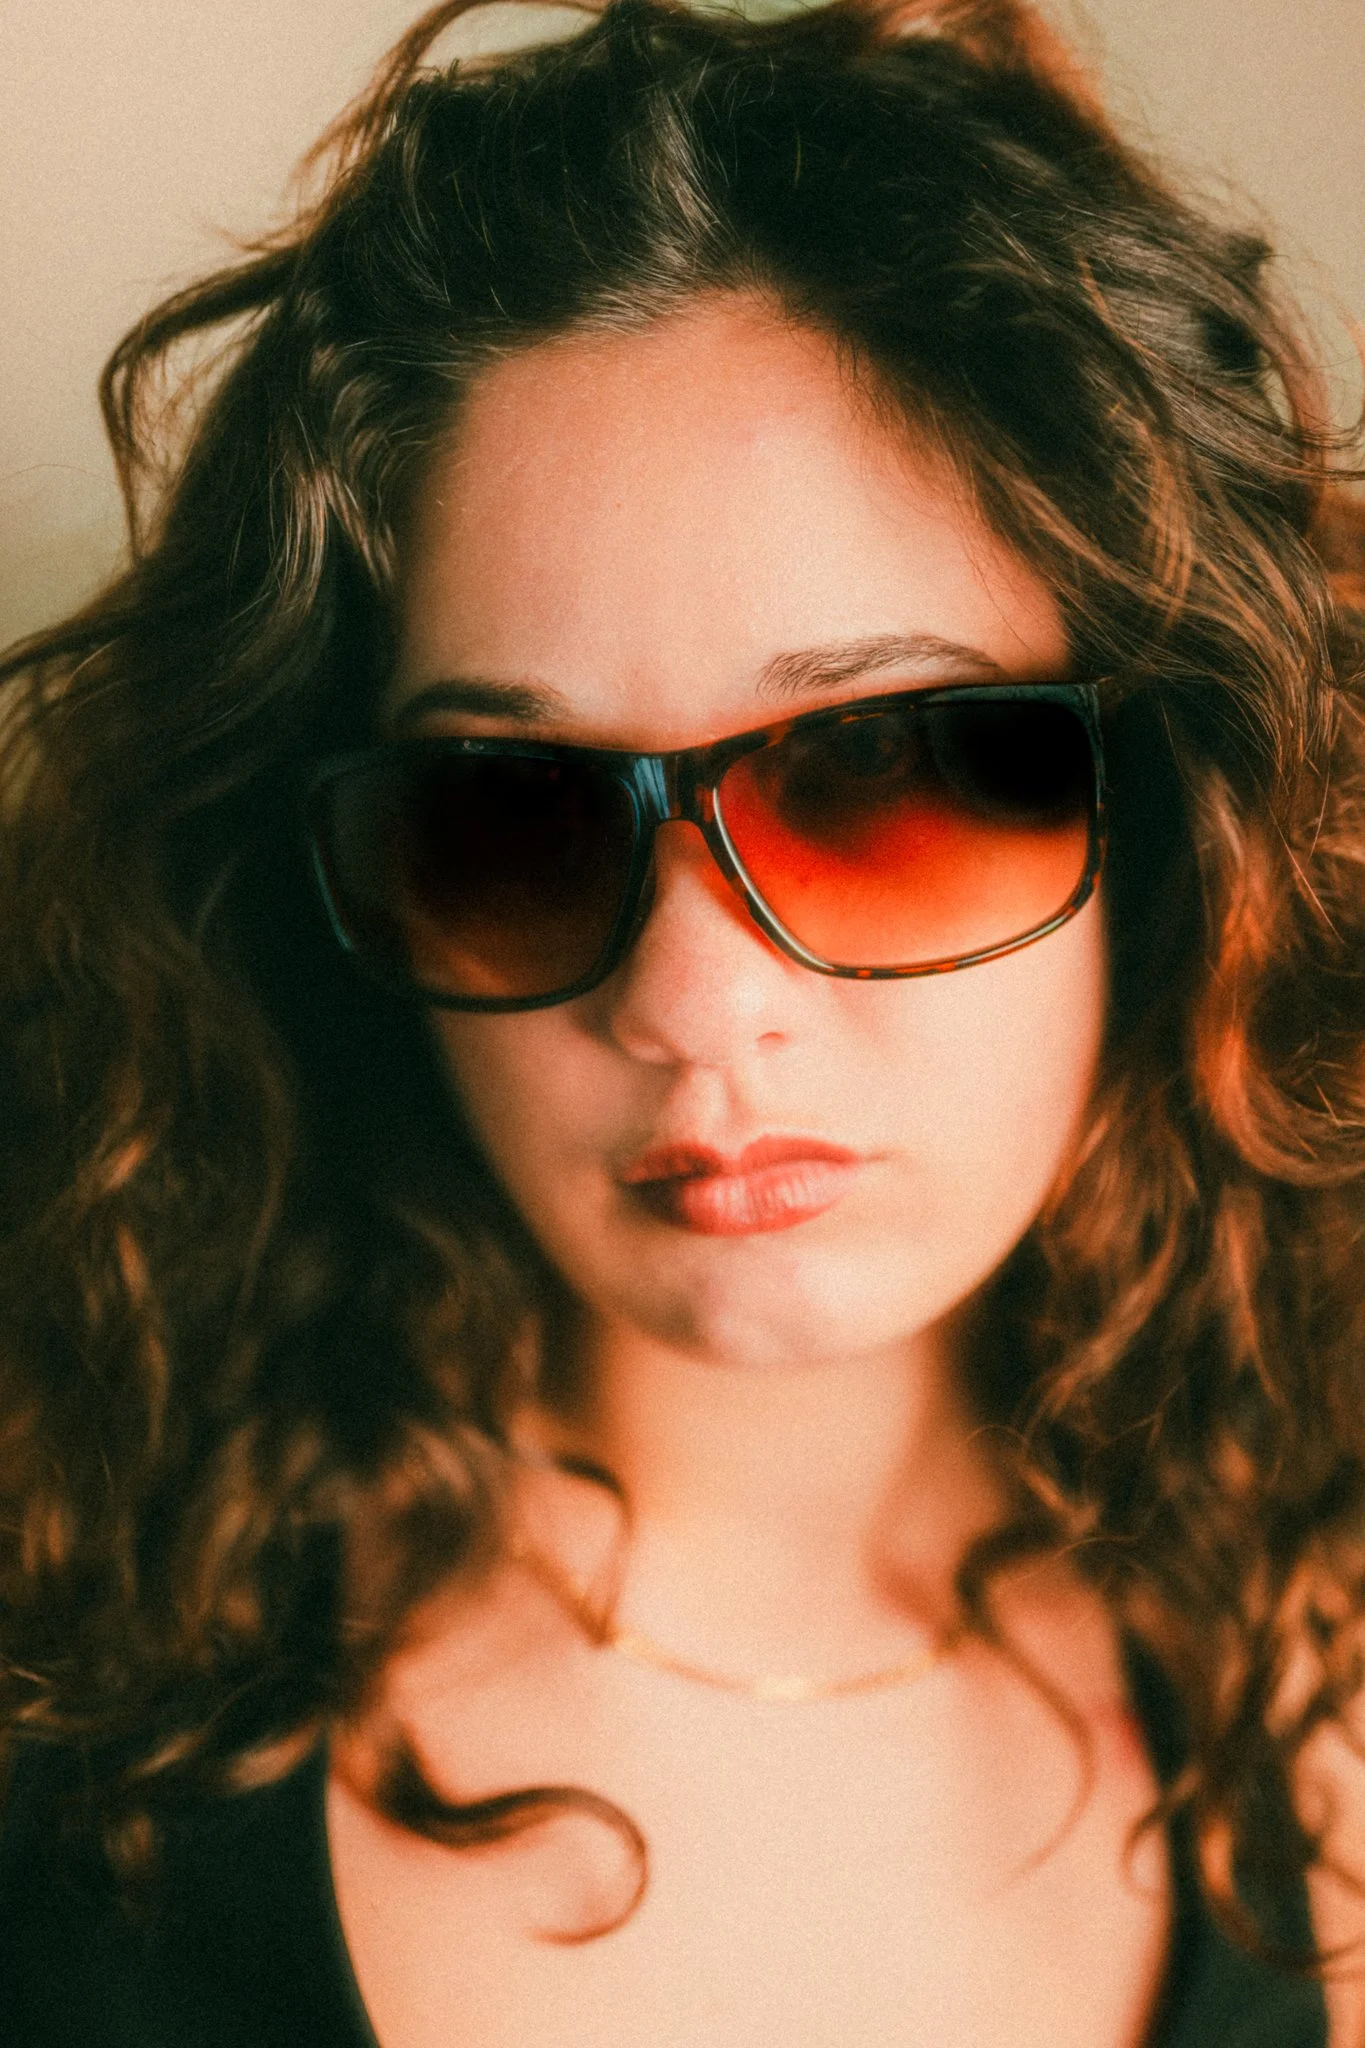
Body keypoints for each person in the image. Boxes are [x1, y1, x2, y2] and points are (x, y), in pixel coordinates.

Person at [1, 0, 1363, 2040]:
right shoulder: (67, 1705)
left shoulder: (1320, 1712)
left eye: (888, 776)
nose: (691, 1003)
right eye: (507, 816)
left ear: (1182, 819)